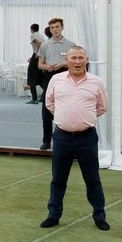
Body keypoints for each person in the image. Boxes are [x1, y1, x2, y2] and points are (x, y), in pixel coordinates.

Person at [41, 44, 111, 232]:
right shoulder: (56, 80)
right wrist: (67, 119)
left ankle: (99, 216)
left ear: (86, 60)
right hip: (62, 137)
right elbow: (50, 103)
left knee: (92, 179)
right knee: (58, 179)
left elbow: (102, 107)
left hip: (87, 138)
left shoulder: (96, 82)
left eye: (81, 58)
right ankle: (53, 215)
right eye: (74, 58)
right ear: (67, 61)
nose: (78, 62)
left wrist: (82, 119)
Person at [36, 17, 73, 149]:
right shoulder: (45, 45)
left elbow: (74, 63)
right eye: (52, 28)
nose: (55, 30)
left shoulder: (70, 45)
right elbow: (40, 65)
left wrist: (64, 64)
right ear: (49, 30)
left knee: (65, 107)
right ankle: (46, 141)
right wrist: (48, 68)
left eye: (57, 27)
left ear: (62, 27)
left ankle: (64, 140)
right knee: (46, 108)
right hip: (49, 77)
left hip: (65, 76)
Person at [25, 23, 45, 104]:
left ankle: (34, 98)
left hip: (37, 56)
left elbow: (38, 43)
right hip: (40, 56)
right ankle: (45, 95)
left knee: (31, 76)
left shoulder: (33, 35)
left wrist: (37, 53)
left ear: (31, 29)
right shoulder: (41, 35)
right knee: (40, 77)